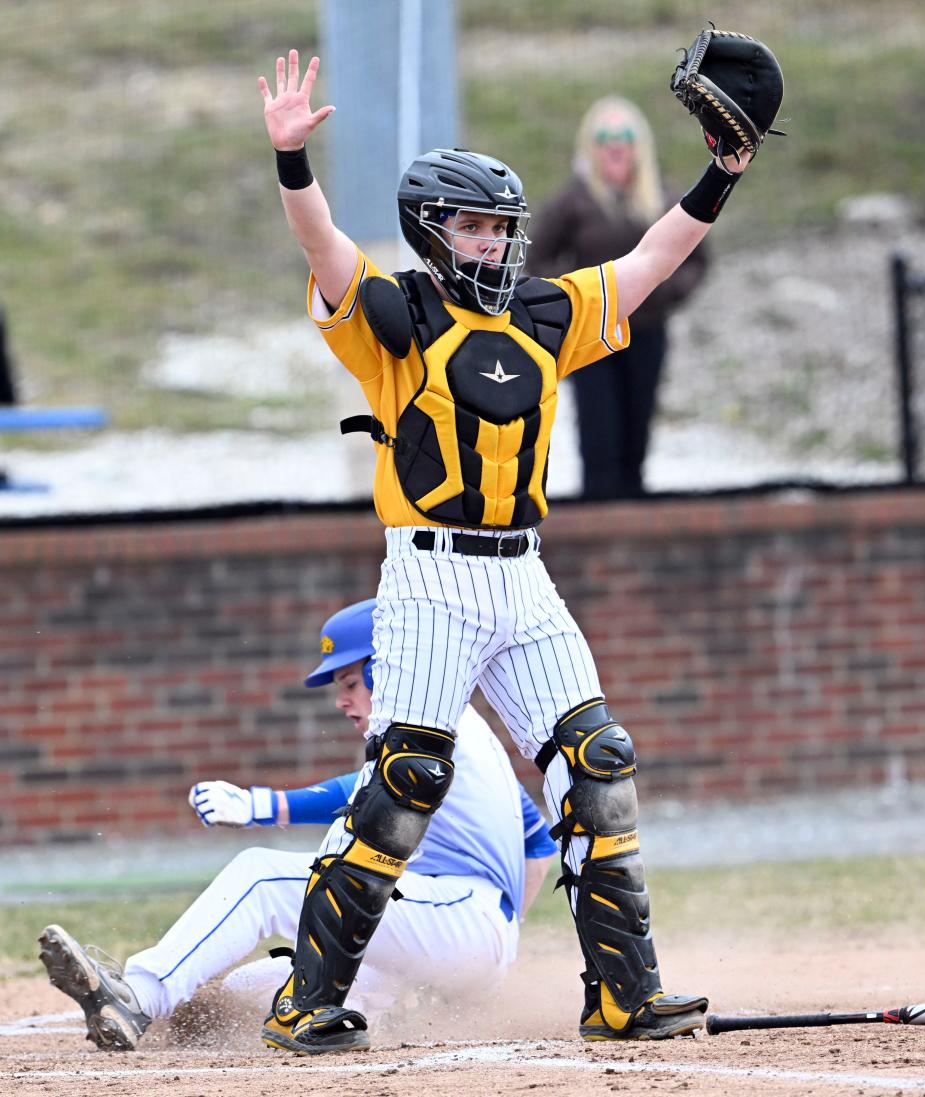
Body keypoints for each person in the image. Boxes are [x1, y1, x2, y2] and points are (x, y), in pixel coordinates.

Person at [256, 47, 752, 1054]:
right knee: (406, 779)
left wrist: (721, 172)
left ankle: (622, 993)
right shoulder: (396, 313)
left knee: (597, 760)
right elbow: (325, 252)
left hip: (523, 571)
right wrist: (292, 162)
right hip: (431, 573)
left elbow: (653, 258)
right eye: (477, 226)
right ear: (434, 233)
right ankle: (306, 998)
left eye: (502, 227)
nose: (495, 242)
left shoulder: (541, 312)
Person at [38, 599, 557, 1053]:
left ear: (390, 667)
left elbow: (364, 791)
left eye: (351, 681)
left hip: (459, 915)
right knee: (237, 993)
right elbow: (536, 843)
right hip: (451, 931)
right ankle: (383, 1010)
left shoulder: (436, 724)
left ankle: (140, 996)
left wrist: (260, 804)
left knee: (262, 875)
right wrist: (489, 956)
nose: (341, 699)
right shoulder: (460, 726)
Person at [526, 96, 708, 499]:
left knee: (637, 426)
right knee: (598, 432)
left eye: (624, 135)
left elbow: (697, 257)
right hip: (592, 337)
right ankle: (598, 514)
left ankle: (634, 513)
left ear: (638, 144)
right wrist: (579, 296)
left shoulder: (661, 196)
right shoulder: (573, 199)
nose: (615, 144)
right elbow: (534, 261)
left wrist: (665, 292)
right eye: (604, 136)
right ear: (591, 145)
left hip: (646, 330)